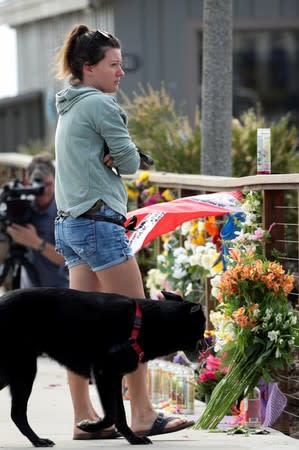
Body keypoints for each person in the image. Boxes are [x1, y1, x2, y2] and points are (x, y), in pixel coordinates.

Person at [53, 24, 194, 440]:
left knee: (80, 328)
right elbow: (132, 165)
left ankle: (84, 419)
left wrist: (111, 156)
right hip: (98, 226)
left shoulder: (68, 104)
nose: (120, 73)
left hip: (71, 226)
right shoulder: (100, 105)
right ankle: (144, 414)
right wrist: (122, 155)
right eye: (113, 65)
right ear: (88, 67)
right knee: (136, 323)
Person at [6, 153, 68, 288]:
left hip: (57, 292)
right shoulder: (21, 205)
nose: (44, 190)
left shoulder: (64, 210)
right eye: (38, 185)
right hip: (28, 290)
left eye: (48, 184)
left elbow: (69, 258)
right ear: (28, 182)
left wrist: (35, 242)